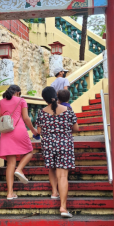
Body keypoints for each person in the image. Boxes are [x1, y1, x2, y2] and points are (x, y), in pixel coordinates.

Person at [36, 86, 79, 218]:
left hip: (48, 144)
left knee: (52, 168)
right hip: (64, 144)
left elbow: (39, 132)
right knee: (63, 176)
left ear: (44, 99)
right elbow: (76, 128)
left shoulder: (41, 112)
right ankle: (63, 207)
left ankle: (54, 192)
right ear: (56, 96)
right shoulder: (68, 110)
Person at [0, 85, 39, 200]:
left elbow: (2, 116)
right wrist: (33, 130)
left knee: (10, 163)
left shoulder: (1, 102)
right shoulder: (21, 100)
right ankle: (19, 169)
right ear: (18, 92)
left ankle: (10, 193)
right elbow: (26, 118)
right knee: (29, 151)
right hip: (19, 130)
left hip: (6, 133)